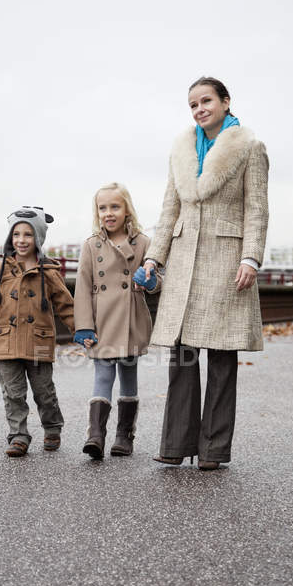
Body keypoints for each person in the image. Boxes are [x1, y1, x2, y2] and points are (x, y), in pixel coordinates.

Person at [138, 76, 269, 470]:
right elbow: (168, 211)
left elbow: (257, 208)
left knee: (222, 357)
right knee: (183, 355)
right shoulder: (181, 151)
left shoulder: (250, 148)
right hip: (183, 263)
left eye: (206, 100)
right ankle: (176, 444)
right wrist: (153, 259)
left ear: (226, 102)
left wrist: (251, 258)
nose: (199, 109)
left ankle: (213, 450)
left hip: (226, 262)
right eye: (193, 104)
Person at [0, 206, 75, 457]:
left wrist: (81, 331)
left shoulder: (49, 271)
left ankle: (52, 427)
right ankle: (18, 436)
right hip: (7, 340)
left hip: (39, 341)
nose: (21, 240)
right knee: (12, 393)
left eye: (28, 235)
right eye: (16, 234)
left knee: (44, 392)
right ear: (10, 237)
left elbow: (66, 305)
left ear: (39, 238)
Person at [74, 183, 161, 460]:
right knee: (102, 374)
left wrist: (150, 282)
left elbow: (160, 280)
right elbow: (82, 287)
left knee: (128, 376)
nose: (108, 213)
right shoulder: (91, 245)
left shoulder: (144, 243)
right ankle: (96, 435)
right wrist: (84, 325)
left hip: (131, 319)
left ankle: (124, 436)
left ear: (127, 210)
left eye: (115, 207)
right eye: (102, 208)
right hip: (102, 320)